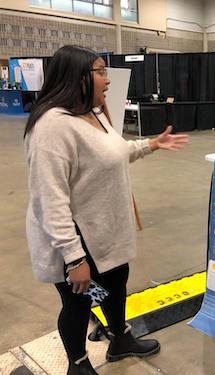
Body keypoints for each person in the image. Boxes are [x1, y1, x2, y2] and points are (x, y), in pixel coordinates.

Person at [24, 45, 189, 375]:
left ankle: (120, 340)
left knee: (115, 287)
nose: (108, 80)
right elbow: (50, 199)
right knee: (78, 301)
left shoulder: (93, 112)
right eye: (100, 72)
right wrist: (74, 258)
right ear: (78, 78)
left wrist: (151, 144)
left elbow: (113, 153)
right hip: (75, 238)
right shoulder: (53, 127)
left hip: (105, 231)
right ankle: (79, 364)